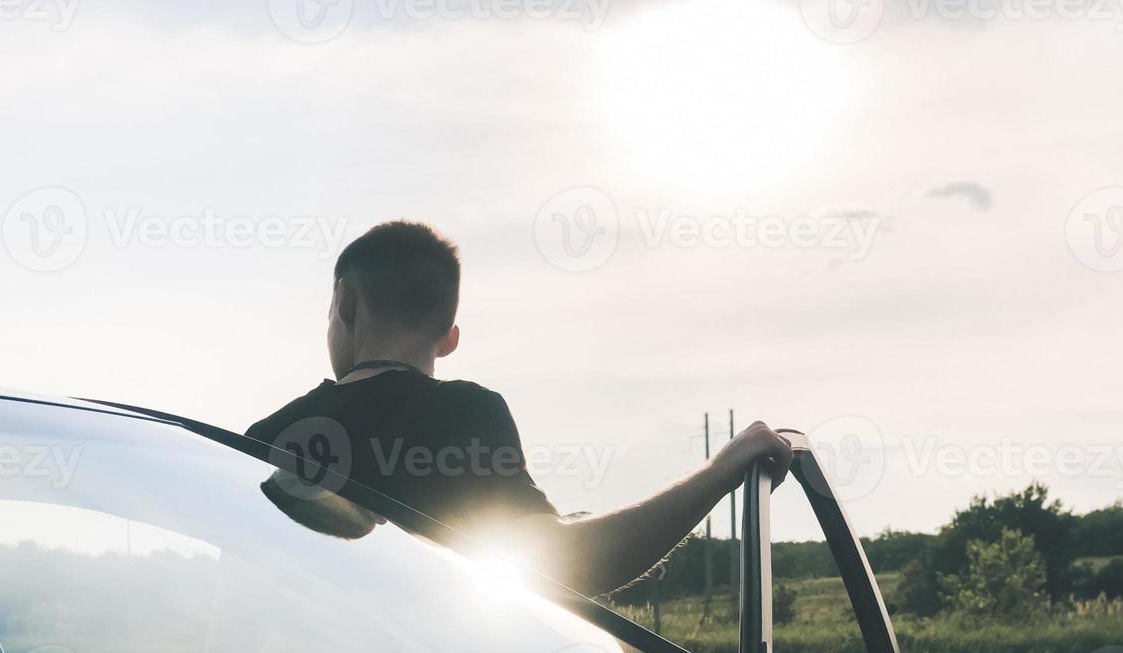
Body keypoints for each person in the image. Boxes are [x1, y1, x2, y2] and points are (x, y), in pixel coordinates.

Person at [248, 220, 793, 596]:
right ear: (449, 338)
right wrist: (721, 472)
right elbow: (564, 563)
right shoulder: (467, 414)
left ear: (344, 303)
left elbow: (234, 619)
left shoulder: (266, 436)